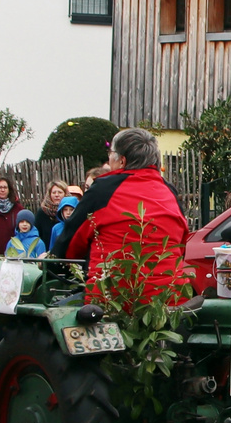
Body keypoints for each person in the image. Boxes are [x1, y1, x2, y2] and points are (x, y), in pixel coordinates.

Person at [54, 128, 189, 305]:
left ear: (122, 161)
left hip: (116, 302)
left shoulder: (103, 190)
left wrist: (53, 261)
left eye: (110, 153)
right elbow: (181, 244)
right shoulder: (169, 192)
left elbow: (70, 245)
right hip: (170, 301)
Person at [35, 179, 69, 246]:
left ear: (65, 194)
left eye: (60, 192)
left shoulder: (71, 211)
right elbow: (37, 234)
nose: (56, 195)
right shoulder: (42, 212)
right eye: (53, 193)